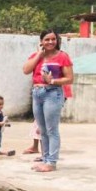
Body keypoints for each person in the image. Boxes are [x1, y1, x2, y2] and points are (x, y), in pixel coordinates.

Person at [22, 29, 74, 172]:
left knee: (52, 130)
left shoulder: (62, 56)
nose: (50, 42)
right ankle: (45, 160)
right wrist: (39, 53)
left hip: (53, 93)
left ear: (57, 40)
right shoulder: (36, 56)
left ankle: (51, 162)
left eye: (53, 39)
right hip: (37, 93)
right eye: (47, 39)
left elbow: (70, 78)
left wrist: (53, 80)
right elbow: (26, 70)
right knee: (42, 130)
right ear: (41, 41)